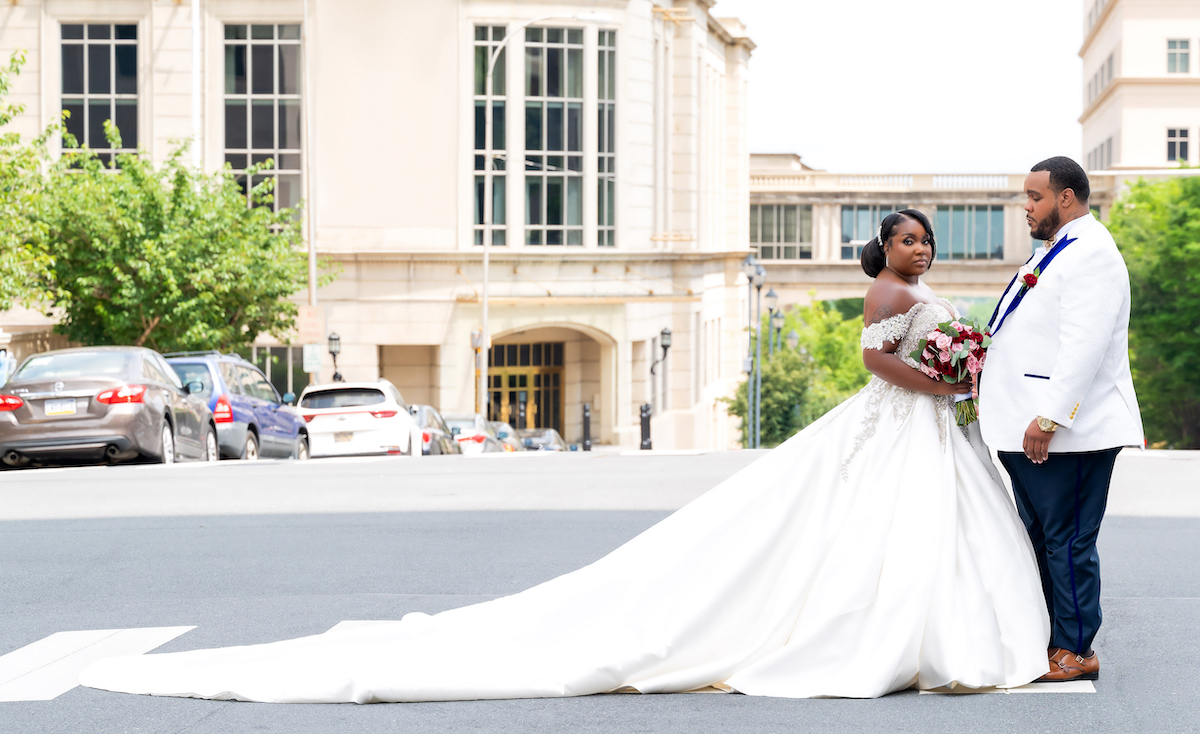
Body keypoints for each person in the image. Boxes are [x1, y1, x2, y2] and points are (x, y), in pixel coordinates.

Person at [81, 210, 1050, 703]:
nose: (918, 252)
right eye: (906, 240)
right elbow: (877, 366)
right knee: (856, 532)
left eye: (923, 241)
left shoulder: (927, 288)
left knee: (927, 533)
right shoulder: (883, 298)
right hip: (901, 424)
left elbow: (925, 359)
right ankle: (897, 639)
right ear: (881, 254)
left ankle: (930, 636)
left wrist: (960, 377)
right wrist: (949, 382)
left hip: (934, 433)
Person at [979, 157, 1143, 682]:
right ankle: (1049, 639)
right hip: (1026, 426)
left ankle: (1076, 648)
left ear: (1066, 197)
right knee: (1042, 536)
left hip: (1069, 434)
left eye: (1035, 197)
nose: (1026, 207)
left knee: (1068, 540)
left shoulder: (1091, 253)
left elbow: (1084, 347)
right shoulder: (1058, 250)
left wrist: (1049, 418)